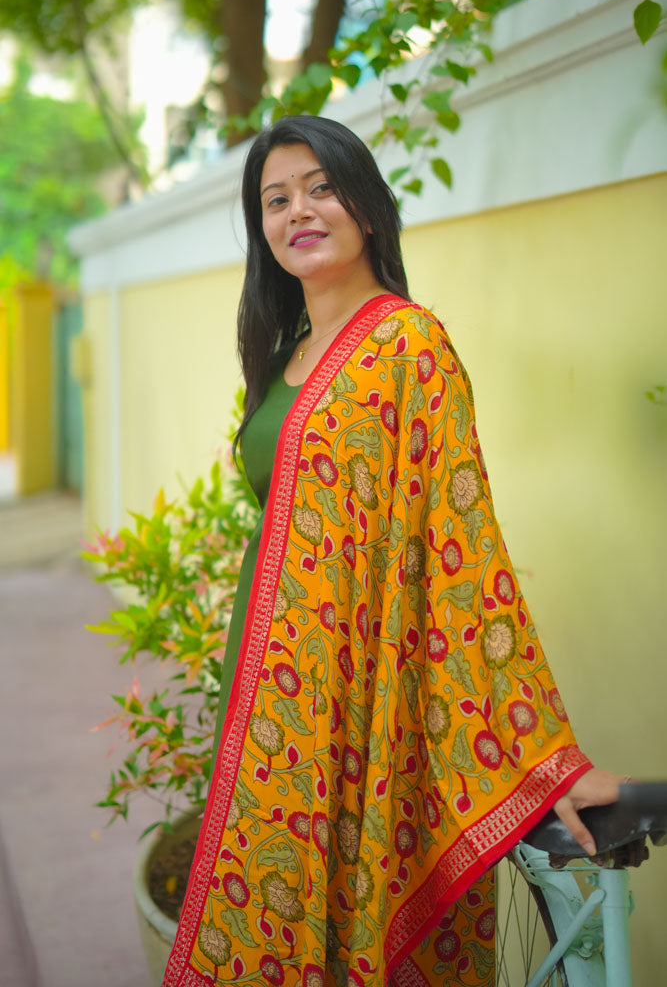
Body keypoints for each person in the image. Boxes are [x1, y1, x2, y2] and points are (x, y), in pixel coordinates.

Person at [162, 115, 623, 987]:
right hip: (270, 702)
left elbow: (462, 550)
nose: (298, 210)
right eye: (275, 199)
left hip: (359, 691)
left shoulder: (408, 345)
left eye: (320, 188)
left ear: (365, 205)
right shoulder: (286, 351)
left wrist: (545, 755)